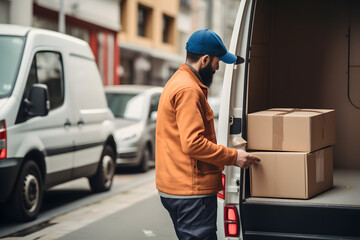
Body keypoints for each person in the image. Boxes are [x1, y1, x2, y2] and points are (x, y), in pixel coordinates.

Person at [155, 29, 261, 240]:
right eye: (216, 61)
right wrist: (234, 156)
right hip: (191, 193)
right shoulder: (189, 90)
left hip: (175, 188)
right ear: (204, 59)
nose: (217, 67)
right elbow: (193, 143)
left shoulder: (177, 81)